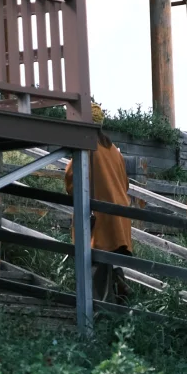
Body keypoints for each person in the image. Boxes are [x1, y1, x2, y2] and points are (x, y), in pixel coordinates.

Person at [64, 129, 133, 305]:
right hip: (120, 214)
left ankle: (101, 311)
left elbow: (71, 181)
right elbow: (125, 184)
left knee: (95, 265)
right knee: (110, 256)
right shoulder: (113, 149)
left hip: (100, 215)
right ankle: (119, 283)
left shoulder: (87, 147)